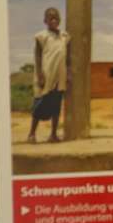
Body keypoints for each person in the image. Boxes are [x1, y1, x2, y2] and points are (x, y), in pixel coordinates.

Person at [27, 7, 69, 142]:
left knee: (56, 105)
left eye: (56, 17)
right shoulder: (41, 36)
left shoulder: (65, 36)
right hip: (46, 75)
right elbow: (38, 56)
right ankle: (32, 134)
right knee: (39, 104)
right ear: (45, 20)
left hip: (59, 76)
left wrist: (68, 74)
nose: (54, 20)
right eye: (51, 18)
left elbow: (67, 57)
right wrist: (40, 74)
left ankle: (53, 135)